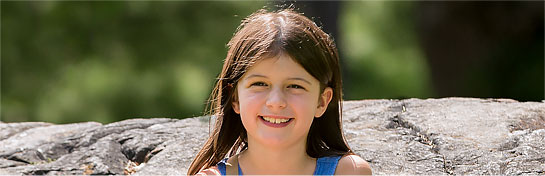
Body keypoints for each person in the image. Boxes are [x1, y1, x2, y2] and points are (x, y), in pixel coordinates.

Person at [187, 8, 372, 175]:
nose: (276, 101)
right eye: (260, 84)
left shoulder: (349, 172)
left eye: (295, 86)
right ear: (235, 98)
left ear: (322, 102)